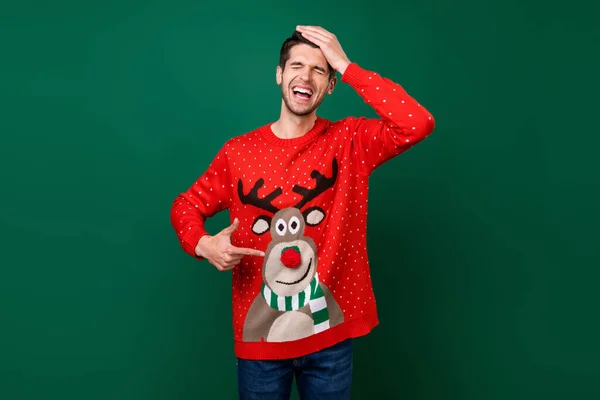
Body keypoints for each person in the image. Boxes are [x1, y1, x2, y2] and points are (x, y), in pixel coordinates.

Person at [170, 25, 435, 399]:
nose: (305, 77)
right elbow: (186, 205)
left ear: (330, 86)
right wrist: (202, 245)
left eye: (319, 70)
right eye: (296, 65)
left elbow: (417, 122)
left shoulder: (351, 142)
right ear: (279, 74)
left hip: (329, 341)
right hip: (260, 342)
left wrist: (346, 65)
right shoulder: (238, 153)